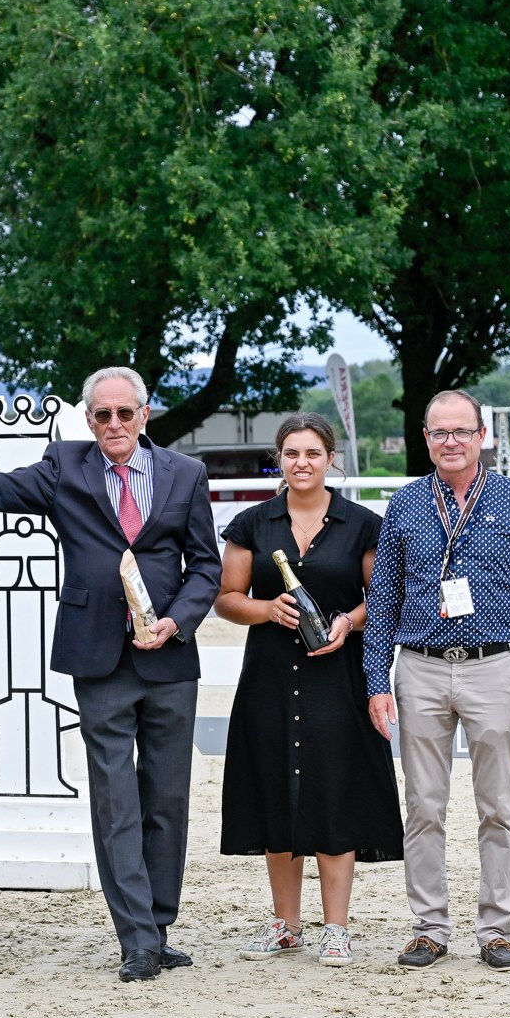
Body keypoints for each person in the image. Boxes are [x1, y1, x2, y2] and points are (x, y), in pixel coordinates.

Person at [0, 367, 221, 982]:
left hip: (168, 657)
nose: (113, 425)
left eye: (124, 414)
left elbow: (205, 568)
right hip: (97, 656)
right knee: (114, 801)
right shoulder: (65, 466)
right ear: (88, 420)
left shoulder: (185, 475)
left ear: (144, 415)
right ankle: (135, 937)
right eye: (102, 415)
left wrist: (178, 622)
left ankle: (159, 925)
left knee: (167, 797)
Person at [364, 389, 510, 972]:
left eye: (461, 432)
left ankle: (496, 930)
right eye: (439, 433)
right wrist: (378, 680)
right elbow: (383, 600)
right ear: (426, 439)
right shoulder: (405, 504)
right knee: (423, 804)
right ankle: (429, 927)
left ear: (482, 436)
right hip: (420, 668)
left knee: (498, 805)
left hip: (495, 666)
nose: (451, 442)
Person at [215, 414, 401, 967]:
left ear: (330, 458)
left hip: (336, 679)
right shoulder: (252, 523)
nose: (301, 462)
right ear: (280, 459)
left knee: (333, 797)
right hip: (269, 679)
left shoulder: (363, 524)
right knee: (276, 797)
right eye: (291, 453)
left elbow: (384, 598)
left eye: (312, 453)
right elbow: (227, 598)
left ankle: (336, 929)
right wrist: (266, 609)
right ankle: (285, 925)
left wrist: (347, 622)